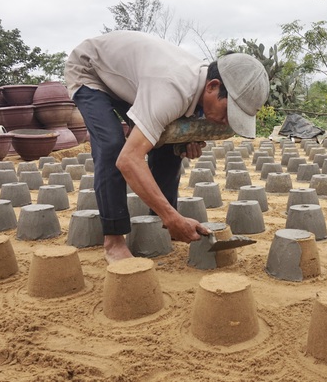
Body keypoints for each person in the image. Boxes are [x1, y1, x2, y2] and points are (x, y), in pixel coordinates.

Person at [64, 30, 270, 262]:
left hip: (132, 78)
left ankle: (157, 223)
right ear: (212, 86)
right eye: (229, 112)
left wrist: (183, 144)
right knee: (112, 146)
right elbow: (128, 160)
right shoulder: (171, 88)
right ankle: (113, 241)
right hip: (90, 70)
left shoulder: (200, 85)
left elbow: (173, 128)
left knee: (170, 143)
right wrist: (172, 216)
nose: (227, 121)